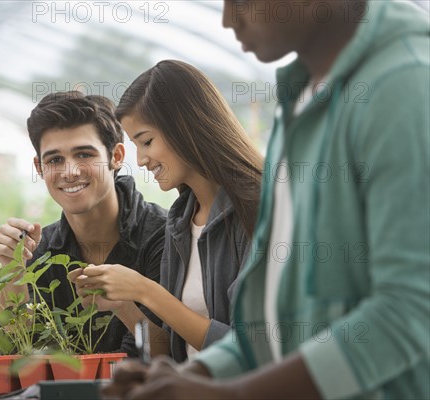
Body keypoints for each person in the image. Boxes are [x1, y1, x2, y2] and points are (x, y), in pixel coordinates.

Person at [102, 0, 430, 399]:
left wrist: (235, 393)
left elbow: (411, 312)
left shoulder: (404, 84)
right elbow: (275, 327)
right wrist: (197, 375)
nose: (226, 19)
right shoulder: (300, 106)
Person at [70, 60, 263, 362]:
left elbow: (253, 351)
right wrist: (124, 302)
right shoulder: (180, 222)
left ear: (185, 127)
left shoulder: (260, 208)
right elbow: (171, 351)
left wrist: (147, 291)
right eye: (135, 144)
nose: (142, 159)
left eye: (146, 141)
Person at [0, 91, 167, 356]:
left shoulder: (164, 236)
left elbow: (171, 352)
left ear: (116, 156)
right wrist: (13, 271)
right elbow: (17, 354)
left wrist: (124, 306)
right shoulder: (39, 249)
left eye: (84, 154)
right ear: (40, 168)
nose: (70, 172)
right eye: (55, 160)